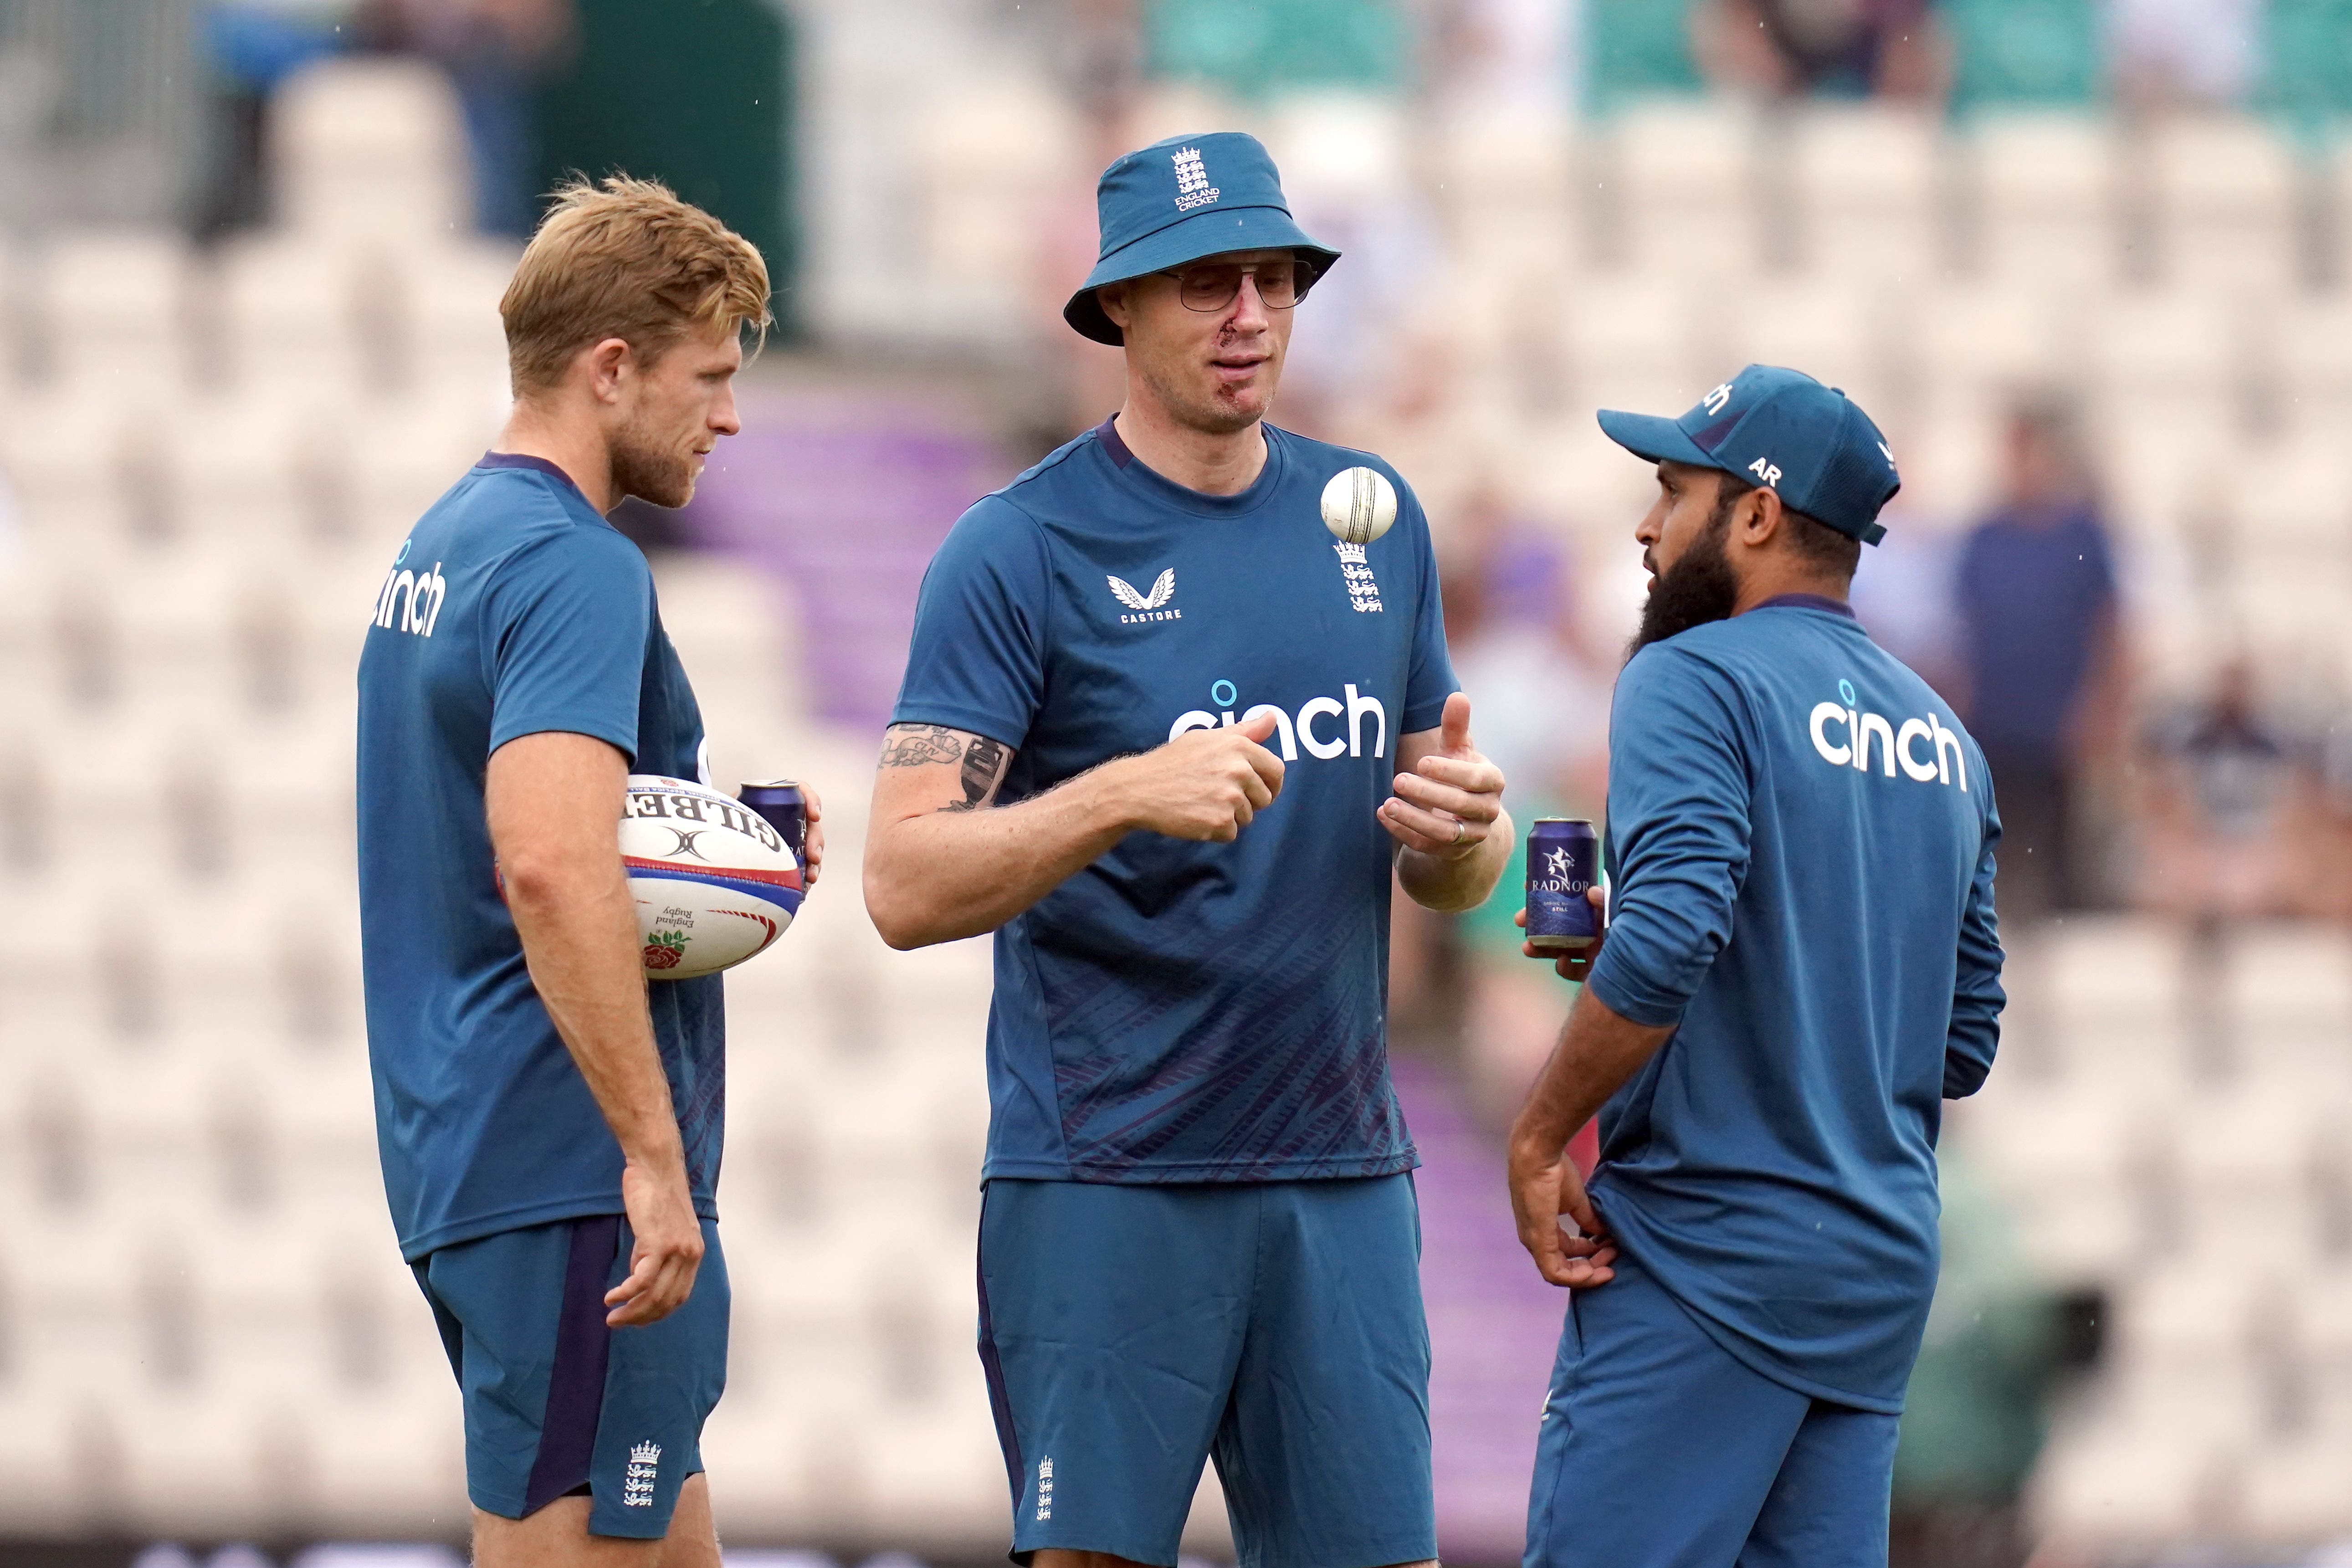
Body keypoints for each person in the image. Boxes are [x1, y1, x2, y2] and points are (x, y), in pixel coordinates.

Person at [864, 131, 1512, 1568]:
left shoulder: (1373, 520)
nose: (1252, 316)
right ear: (1117, 311)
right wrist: (1113, 795)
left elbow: (1446, 863)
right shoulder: (1015, 547)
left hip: (1339, 1177)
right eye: (1208, 283)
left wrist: (1468, 839)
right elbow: (901, 884)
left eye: (1275, 280)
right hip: (1108, 1179)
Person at [355, 176, 807, 1567]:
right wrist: (650, 1156)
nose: (726, 416)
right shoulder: (576, 565)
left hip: (472, 1142)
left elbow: (544, 835)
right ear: (610, 369)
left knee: (663, 1540)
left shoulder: (444, 544)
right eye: (709, 376)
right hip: (567, 1167)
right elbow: (549, 863)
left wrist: (734, 849)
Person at [1506, 365, 2006, 1568]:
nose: (1644, 526)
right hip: (1872, 1277)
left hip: (1706, 1252)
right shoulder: (1947, 740)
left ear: (1758, 515)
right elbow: (1960, 1043)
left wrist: (1536, 1138)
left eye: (1672, 491)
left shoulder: (1693, 673)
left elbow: (1676, 932)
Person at [1952, 397, 2123, 922]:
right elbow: (1962, 631)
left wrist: (2102, 707)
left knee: (2063, 865)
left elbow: (2112, 628)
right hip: (1995, 724)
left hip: (2060, 727)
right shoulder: (1983, 536)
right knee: (1997, 852)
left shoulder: (2083, 535)